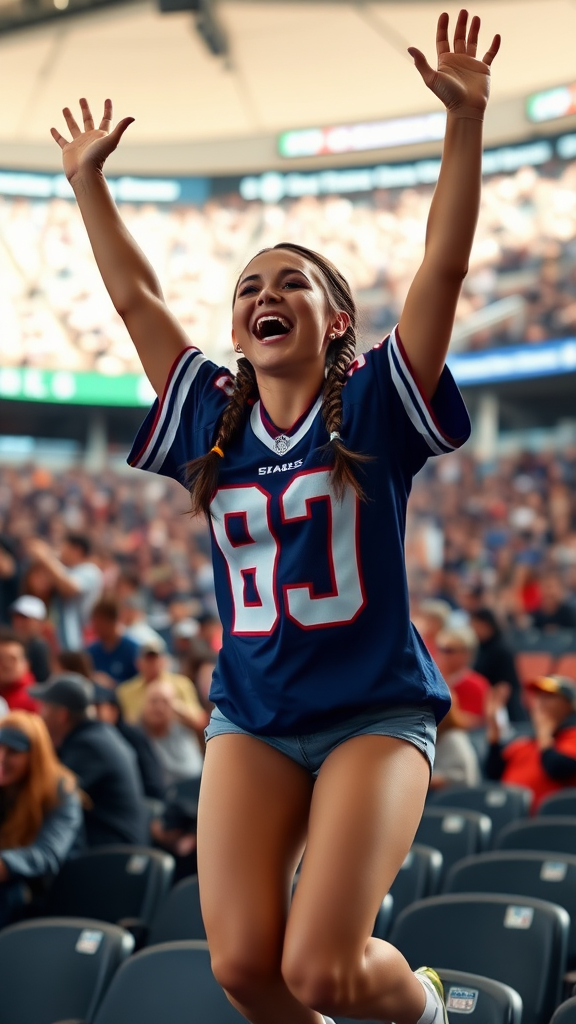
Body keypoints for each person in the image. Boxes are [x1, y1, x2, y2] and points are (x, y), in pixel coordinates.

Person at [52, 12, 500, 1023]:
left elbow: (443, 268)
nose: (264, 292)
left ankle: (428, 1007)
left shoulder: (382, 397)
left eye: (288, 280)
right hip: (250, 715)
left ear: (335, 317)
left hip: (372, 714)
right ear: (237, 332)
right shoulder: (212, 413)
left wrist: (463, 125)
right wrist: (88, 184)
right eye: (248, 285)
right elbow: (135, 302)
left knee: (323, 971)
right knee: (245, 968)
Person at [30, 674, 148, 847]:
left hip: (113, 855)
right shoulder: (96, 735)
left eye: (45, 707)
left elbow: (48, 797)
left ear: (62, 715)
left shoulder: (88, 746)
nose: (40, 715)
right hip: (112, 845)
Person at [0, 710, 83, 927]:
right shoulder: (5, 787)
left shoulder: (60, 790)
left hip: (46, 895)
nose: (2, 758)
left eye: (13, 752)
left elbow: (47, 855)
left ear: (34, 756)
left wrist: (5, 864)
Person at [485, 674, 576, 810]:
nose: (541, 702)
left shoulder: (571, 736)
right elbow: (493, 772)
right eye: (538, 696)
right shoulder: (523, 743)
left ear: (569, 705)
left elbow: (558, 768)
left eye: (549, 697)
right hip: (511, 814)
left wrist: (544, 733)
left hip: (552, 819)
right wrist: (494, 728)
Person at [117, 637, 207, 739]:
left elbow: (200, 721)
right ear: (138, 663)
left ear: (164, 661)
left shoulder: (181, 684)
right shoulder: (126, 690)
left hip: (179, 741)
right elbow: (126, 725)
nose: (152, 664)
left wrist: (172, 705)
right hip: (143, 743)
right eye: (148, 659)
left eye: (155, 659)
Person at [26, 533, 103, 650]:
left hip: (81, 640)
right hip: (58, 641)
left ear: (77, 550)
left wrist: (46, 557)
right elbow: (38, 588)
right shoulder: (64, 569)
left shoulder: (90, 570)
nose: (61, 551)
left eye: (64, 547)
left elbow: (69, 587)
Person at [91, 682, 166, 799]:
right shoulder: (94, 737)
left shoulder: (131, 736)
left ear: (113, 710)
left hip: (147, 801)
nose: (92, 714)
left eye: (97, 707)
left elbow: (152, 783)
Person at [139, 678, 204, 788]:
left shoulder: (184, 725)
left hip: (194, 787)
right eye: (154, 701)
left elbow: (201, 724)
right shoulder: (137, 734)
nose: (159, 708)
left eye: (165, 702)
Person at [469, 607, 525, 722]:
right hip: (483, 702)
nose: (473, 630)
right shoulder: (479, 648)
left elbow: (504, 687)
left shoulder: (502, 650)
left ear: (486, 625)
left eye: (475, 625)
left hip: (503, 709)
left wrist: (493, 713)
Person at [434, 625, 490, 729]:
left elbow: (474, 722)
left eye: (448, 650)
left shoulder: (476, 685)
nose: (442, 654)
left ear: (466, 653)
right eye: (440, 649)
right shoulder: (430, 679)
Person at [86, 595, 140, 684]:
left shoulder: (133, 650)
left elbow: (139, 685)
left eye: (99, 623)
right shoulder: (91, 651)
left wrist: (113, 684)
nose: (95, 628)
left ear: (111, 621)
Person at [428, 701, 481, 790]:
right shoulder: (443, 738)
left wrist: (430, 779)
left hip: (458, 795)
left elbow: (464, 776)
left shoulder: (453, 738)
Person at [10, 595, 52, 683]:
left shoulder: (40, 647)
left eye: (25, 618)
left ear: (40, 622)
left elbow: (42, 682)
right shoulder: (9, 645)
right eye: (16, 616)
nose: (19, 622)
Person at [0, 632, 38, 713]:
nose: (7, 664)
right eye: (1, 659)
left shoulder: (35, 701)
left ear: (27, 664)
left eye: (13, 659)